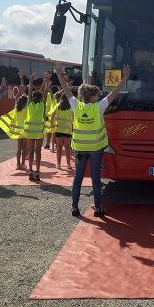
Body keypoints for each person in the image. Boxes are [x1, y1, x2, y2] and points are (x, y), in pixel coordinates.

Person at [56, 62, 131, 218]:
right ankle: (98, 208)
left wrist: (59, 75)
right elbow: (115, 93)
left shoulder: (76, 106)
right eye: (97, 95)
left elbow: (66, 90)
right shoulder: (99, 107)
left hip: (79, 148)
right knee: (95, 178)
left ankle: (74, 208)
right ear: (91, 97)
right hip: (96, 148)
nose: (99, 97)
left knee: (78, 178)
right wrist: (124, 78)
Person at [0, 70, 28, 170]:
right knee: (25, 148)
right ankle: (23, 163)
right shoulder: (27, 108)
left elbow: (18, 97)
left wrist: (20, 85)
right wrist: (22, 80)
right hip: (25, 130)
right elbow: (24, 95)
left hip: (17, 130)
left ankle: (18, 164)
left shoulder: (17, 107)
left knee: (19, 148)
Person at [23, 72, 50, 181]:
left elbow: (29, 91)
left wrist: (31, 80)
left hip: (29, 131)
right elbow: (45, 91)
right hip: (39, 131)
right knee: (37, 151)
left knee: (30, 151)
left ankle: (30, 170)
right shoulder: (42, 105)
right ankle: (37, 171)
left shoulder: (29, 104)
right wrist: (46, 81)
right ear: (41, 98)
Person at [50, 92, 74, 170]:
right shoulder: (70, 107)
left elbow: (53, 114)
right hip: (68, 129)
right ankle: (68, 164)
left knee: (59, 147)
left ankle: (58, 164)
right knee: (67, 147)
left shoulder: (58, 106)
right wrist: (72, 123)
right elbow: (73, 116)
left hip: (59, 129)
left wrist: (52, 123)